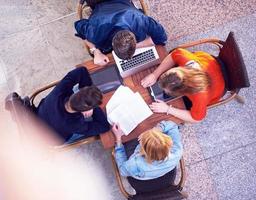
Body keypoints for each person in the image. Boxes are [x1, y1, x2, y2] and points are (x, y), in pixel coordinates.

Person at [141, 48, 225, 123]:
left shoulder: (200, 97)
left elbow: (196, 118)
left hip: (220, 85)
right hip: (210, 62)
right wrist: (155, 75)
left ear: (183, 92)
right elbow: (173, 55)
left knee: (184, 106)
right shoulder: (185, 59)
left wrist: (168, 109)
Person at [74, 0, 167, 66]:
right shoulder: (94, 32)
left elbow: (162, 37)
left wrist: (135, 46)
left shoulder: (140, 20)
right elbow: (78, 26)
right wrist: (96, 51)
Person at [37, 67, 110, 142]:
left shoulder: (59, 91)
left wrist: (88, 94)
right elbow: (104, 127)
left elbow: (82, 70)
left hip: (39, 117)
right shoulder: (75, 124)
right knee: (93, 124)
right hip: (51, 138)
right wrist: (93, 107)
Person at [112, 120, 183, 180]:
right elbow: (173, 125)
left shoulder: (135, 164)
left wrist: (118, 139)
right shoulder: (177, 151)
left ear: (143, 150)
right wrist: (156, 130)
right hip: (161, 172)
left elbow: (122, 171)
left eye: (141, 141)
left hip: (141, 175)